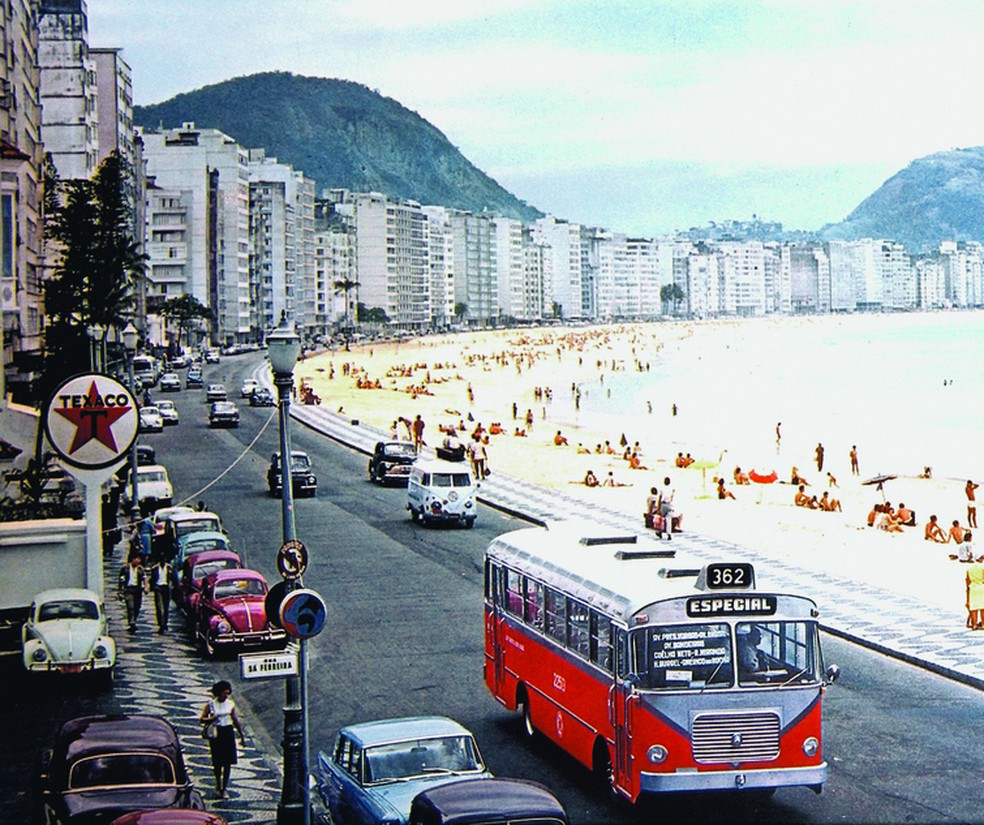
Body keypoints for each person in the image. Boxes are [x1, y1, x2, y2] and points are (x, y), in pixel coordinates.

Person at [200, 680, 246, 799]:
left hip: (228, 732)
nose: (226, 696)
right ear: (218, 693)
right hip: (217, 733)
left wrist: (241, 735)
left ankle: (224, 788)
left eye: (228, 693)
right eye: (224, 693)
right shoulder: (211, 704)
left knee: (227, 763)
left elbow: (235, 720)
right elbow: (202, 719)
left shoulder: (230, 704)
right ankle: (218, 785)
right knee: (217, 762)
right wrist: (211, 718)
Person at [117, 551, 146, 632]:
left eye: (139, 559)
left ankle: (134, 620)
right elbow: (121, 580)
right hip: (128, 589)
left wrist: (145, 587)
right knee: (130, 606)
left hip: (137, 590)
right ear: (133, 559)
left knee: (137, 606)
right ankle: (131, 622)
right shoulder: (125, 568)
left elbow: (144, 578)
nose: (138, 561)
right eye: (137, 559)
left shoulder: (140, 569)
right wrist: (120, 590)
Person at [147, 554, 171, 633]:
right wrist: (151, 587)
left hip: (166, 588)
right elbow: (152, 579)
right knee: (159, 606)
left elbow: (174, 578)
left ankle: (165, 622)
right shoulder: (155, 568)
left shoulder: (169, 568)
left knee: (166, 607)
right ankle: (161, 624)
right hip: (158, 588)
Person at [966, 562, 984, 629]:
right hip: (982, 588)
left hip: (973, 588)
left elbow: (967, 581)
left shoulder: (969, 569)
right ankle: (983, 624)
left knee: (974, 607)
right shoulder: (982, 568)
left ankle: (974, 625)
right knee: (982, 607)